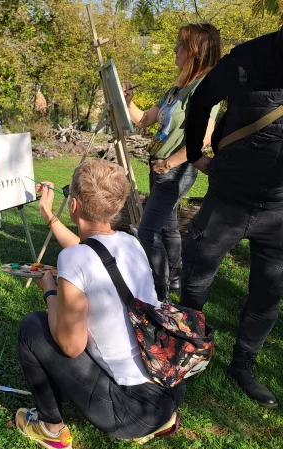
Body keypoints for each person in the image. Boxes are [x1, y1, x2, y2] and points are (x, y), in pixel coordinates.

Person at [15, 159, 186, 449]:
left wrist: (50, 291)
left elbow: (71, 346)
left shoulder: (75, 260)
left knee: (33, 327)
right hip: (169, 388)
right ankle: (161, 423)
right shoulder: (131, 243)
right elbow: (90, 250)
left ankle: (51, 431)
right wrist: (49, 217)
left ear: (75, 205)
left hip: (130, 413)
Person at [181, 27, 283, 409]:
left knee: (268, 292)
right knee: (196, 277)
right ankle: (190, 348)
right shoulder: (248, 57)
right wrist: (194, 153)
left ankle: (243, 365)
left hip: (279, 210)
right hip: (229, 199)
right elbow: (201, 100)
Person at [122, 23, 221, 301]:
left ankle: (159, 294)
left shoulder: (205, 86)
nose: (175, 49)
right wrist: (127, 101)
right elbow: (144, 120)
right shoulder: (177, 87)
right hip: (160, 167)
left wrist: (171, 163)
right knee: (167, 227)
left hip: (176, 170)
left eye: (180, 45)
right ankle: (174, 279)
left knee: (147, 231)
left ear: (195, 51)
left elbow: (205, 136)